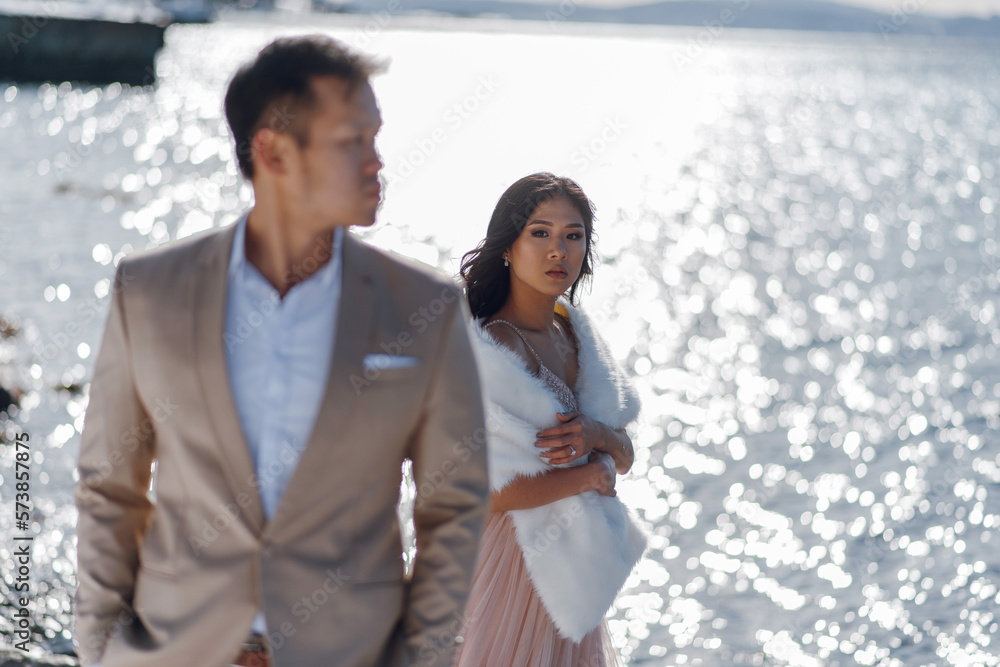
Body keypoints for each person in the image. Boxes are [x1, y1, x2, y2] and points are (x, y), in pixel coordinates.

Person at [73, 35, 489, 667]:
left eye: (375, 137)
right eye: (352, 141)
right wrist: (99, 648)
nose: (377, 161)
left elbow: (454, 504)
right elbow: (109, 487)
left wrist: (423, 656)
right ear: (272, 151)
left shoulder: (424, 309)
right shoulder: (150, 290)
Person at [454, 173, 647, 666]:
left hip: (574, 568)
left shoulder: (575, 330)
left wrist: (600, 436)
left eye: (573, 235)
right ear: (507, 247)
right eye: (540, 233)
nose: (558, 250)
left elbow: (623, 454)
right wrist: (589, 473)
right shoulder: (497, 345)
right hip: (519, 562)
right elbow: (483, 488)